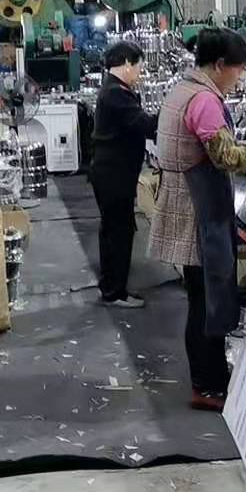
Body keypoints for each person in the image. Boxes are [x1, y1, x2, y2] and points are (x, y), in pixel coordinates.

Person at [149, 28, 246, 411]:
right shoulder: (204, 101)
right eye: (238, 69)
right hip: (200, 214)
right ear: (219, 65)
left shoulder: (182, 90)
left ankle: (209, 379)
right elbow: (228, 157)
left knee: (201, 298)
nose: (240, 78)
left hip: (186, 205)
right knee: (207, 302)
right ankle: (208, 386)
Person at [90, 41, 159, 308]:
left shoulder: (112, 89)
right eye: (138, 67)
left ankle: (110, 286)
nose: (139, 73)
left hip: (110, 172)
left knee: (113, 230)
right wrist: (172, 114)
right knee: (119, 232)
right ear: (127, 63)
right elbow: (144, 125)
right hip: (114, 174)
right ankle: (115, 292)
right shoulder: (116, 94)